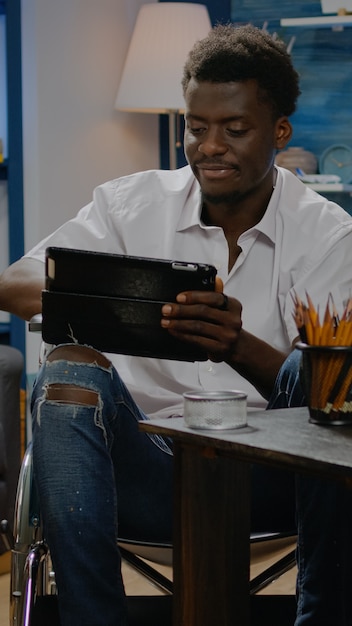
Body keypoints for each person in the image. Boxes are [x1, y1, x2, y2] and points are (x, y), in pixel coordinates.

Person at [1, 23, 352, 625]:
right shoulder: (127, 204)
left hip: (276, 480)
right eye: (196, 127)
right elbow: (12, 284)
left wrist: (238, 347)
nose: (210, 146)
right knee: (67, 369)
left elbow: (331, 403)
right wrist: (121, 296)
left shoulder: (328, 234)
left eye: (235, 130)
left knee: (310, 364)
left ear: (279, 133)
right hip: (142, 472)